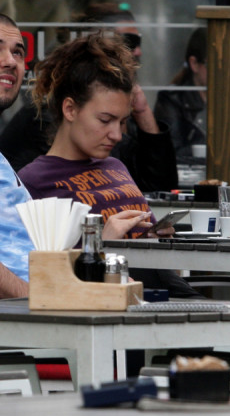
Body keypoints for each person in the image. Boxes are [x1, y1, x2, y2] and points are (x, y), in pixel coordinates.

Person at [0, 13, 149, 302]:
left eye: (18, 52)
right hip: (17, 325)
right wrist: (42, 300)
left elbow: (17, 252)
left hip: (37, 311)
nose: (10, 60)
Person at [17, 32, 202, 298]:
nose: (116, 134)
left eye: (122, 121)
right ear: (70, 109)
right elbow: (41, 278)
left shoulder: (116, 165)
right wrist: (102, 244)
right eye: (105, 120)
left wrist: (155, 238)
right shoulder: (35, 181)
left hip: (162, 296)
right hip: (112, 308)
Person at [0, 3, 178, 193]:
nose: (138, 51)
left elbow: (162, 188)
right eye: (129, 41)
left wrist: (142, 112)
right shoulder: (44, 122)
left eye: (139, 41)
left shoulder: (116, 120)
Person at [154, 27, 207, 158]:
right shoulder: (172, 99)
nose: (223, 72)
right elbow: (170, 153)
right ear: (194, 64)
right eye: (215, 65)